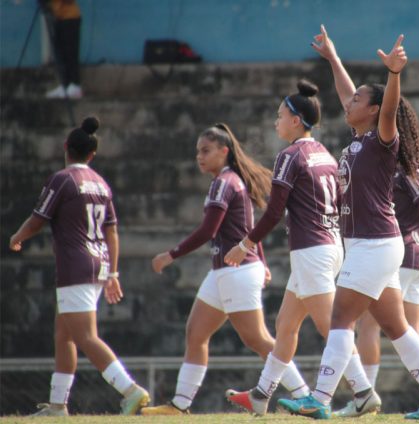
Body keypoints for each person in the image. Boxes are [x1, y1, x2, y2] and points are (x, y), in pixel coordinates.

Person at [276, 25, 419, 420]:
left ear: (371, 110)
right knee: (397, 328)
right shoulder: (357, 137)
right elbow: (347, 93)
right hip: (368, 245)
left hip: (375, 244)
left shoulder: (381, 138)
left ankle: (319, 399)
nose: (348, 101)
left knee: (341, 318)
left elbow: (387, 108)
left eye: (357, 99)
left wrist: (393, 74)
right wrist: (334, 58)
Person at [139, 123, 308, 415]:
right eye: (197, 152)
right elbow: (249, 228)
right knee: (196, 333)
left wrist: (171, 254)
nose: (199, 157)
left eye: (206, 151)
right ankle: (180, 404)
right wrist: (264, 263)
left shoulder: (225, 182)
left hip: (237, 271)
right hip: (223, 272)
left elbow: (208, 230)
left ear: (224, 151)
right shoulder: (228, 181)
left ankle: (305, 395)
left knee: (257, 339)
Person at [333, 97, 419, 419]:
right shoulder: (397, 157)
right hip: (415, 256)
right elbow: (349, 97)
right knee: (408, 330)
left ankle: (364, 394)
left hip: (400, 252)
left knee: (369, 327)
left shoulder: (392, 160)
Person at [9, 116, 149, 416]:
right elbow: (112, 230)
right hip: (98, 264)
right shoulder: (101, 183)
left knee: (86, 336)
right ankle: (58, 405)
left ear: (65, 148)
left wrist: (17, 236)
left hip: (75, 266)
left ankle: (131, 390)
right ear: (92, 154)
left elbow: (38, 218)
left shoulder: (62, 179)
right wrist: (112, 272)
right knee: (64, 334)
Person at [224, 79, 345, 415]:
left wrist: (245, 243)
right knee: (286, 325)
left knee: (331, 327)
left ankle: (362, 392)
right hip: (331, 246)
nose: (276, 121)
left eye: (280, 116)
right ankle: (262, 394)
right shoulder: (325, 154)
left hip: (311, 250)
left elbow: (275, 211)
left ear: (295, 120)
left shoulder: (290, 155)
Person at [42, 0, 83, 99]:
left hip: (70, 18)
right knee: (60, 54)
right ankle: (65, 84)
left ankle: (75, 84)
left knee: (70, 52)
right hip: (58, 18)